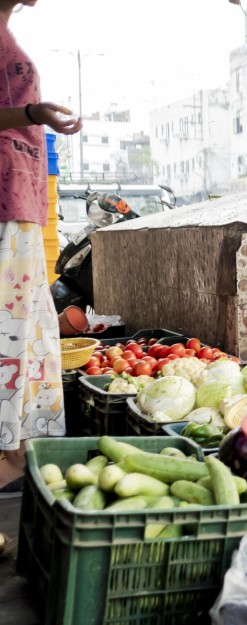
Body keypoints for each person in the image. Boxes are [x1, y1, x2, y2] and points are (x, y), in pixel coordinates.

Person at [0, 0, 83, 490]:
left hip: (21, 204)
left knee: (23, 343)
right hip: (6, 208)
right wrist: (33, 112)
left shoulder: (9, 32)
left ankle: (13, 455)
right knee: (10, 343)